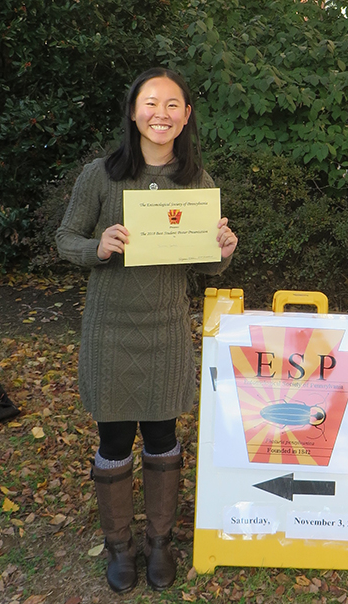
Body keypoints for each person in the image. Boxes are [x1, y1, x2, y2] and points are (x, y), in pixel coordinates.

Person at [56, 67, 238, 593]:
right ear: (134, 111)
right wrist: (97, 245)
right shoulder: (100, 175)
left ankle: (159, 541)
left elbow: (203, 264)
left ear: (185, 117)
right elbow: (65, 238)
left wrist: (223, 251)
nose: (162, 113)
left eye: (173, 105)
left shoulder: (197, 182)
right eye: (151, 103)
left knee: (162, 436)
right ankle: (119, 545)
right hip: (110, 331)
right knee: (113, 438)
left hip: (165, 330)